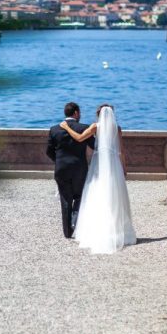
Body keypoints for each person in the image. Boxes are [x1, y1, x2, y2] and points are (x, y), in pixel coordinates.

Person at [60, 104, 136, 254]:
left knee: (97, 193)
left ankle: (97, 229)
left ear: (98, 114)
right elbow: (121, 152)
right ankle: (118, 232)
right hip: (114, 166)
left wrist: (66, 127)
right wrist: (124, 169)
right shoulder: (117, 128)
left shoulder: (96, 126)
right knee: (115, 196)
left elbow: (80, 138)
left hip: (99, 164)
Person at [46, 102, 96, 238]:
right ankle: (75, 221)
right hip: (79, 168)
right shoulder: (83, 128)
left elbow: (49, 151)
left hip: (61, 169)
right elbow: (94, 146)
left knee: (65, 199)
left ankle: (67, 232)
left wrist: (59, 162)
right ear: (76, 113)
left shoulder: (54, 129)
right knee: (80, 196)